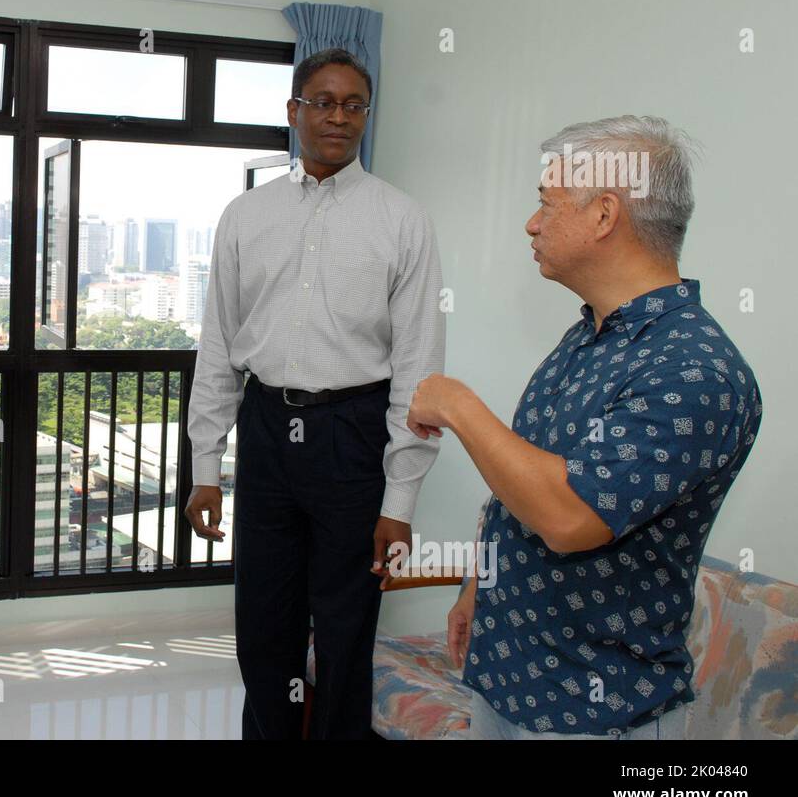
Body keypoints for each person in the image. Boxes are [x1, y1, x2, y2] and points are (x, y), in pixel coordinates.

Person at [416, 116, 762, 738]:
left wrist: (457, 405)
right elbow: (525, 478)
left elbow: (572, 516)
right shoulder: (589, 336)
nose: (532, 222)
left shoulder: (695, 369)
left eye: (546, 202)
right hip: (508, 681)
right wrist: (479, 584)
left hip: (593, 713)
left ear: (604, 215)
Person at [184, 48, 446, 739]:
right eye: (322, 101)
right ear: (294, 111)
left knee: (344, 630)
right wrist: (205, 468)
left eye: (353, 103)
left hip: (354, 435)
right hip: (267, 429)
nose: (338, 115)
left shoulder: (401, 219)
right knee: (262, 626)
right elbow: (218, 348)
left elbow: (418, 372)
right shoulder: (245, 216)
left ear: (367, 114)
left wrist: (400, 502)